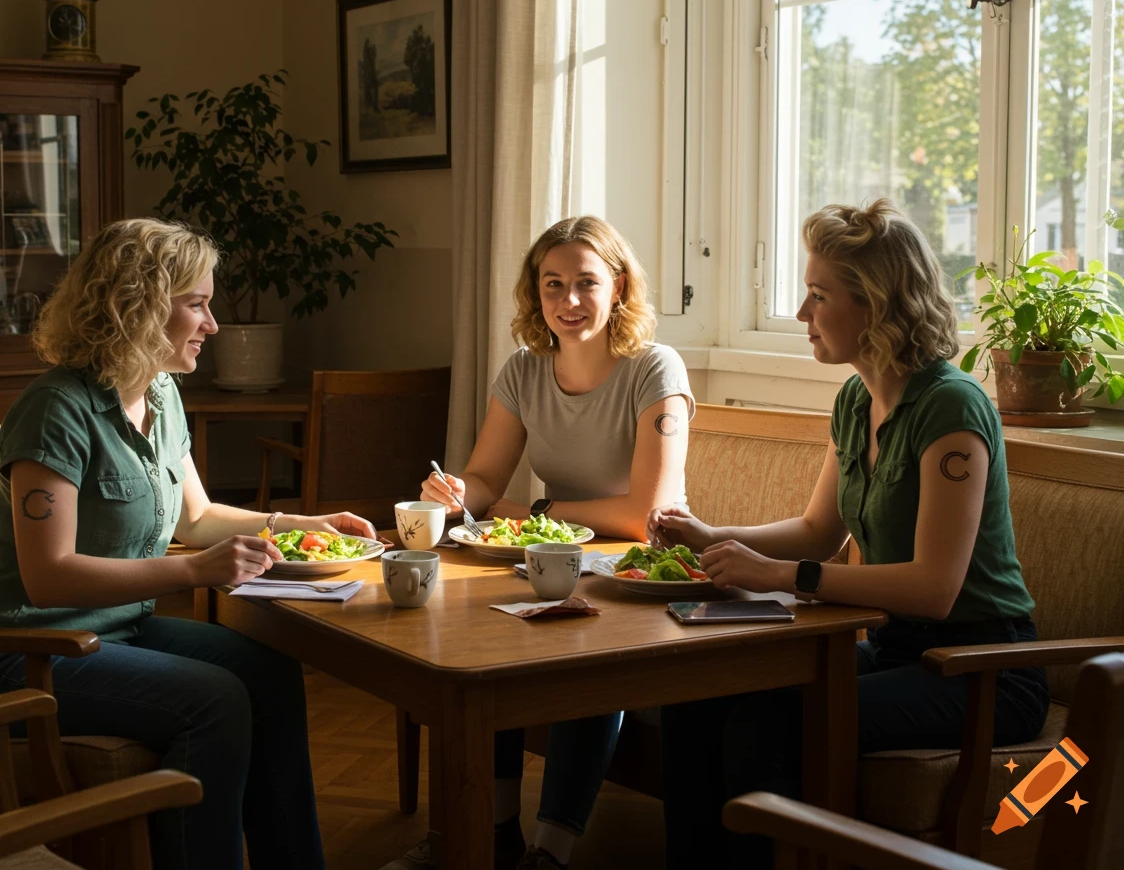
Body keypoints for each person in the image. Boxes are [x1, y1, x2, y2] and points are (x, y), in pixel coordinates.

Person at [0, 218, 378, 870]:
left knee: (269, 671)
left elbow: (198, 519)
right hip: (24, 651)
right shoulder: (55, 410)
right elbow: (49, 577)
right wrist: (192, 576)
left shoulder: (161, 393)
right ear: (141, 307)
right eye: (197, 304)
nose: (211, 324)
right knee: (216, 701)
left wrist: (301, 525)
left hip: (112, 632)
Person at [650, 200, 1049, 869]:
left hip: (984, 670)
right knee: (697, 700)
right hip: (897, 649)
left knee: (769, 721)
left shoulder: (951, 406)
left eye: (817, 296)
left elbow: (935, 587)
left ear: (878, 305)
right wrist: (709, 534)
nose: (803, 315)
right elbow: (816, 531)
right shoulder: (857, 399)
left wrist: (780, 576)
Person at [383, 215, 694, 870]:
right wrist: (454, 493)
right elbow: (487, 478)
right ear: (535, 294)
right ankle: (491, 829)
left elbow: (649, 514)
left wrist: (537, 508)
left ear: (618, 288)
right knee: (477, 648)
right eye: (553, 285)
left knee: (589, 656)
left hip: (644, 570)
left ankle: (550, 854)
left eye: (586, 283)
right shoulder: (525, 369)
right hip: (557, 559)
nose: (569, 301)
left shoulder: (654, 368)